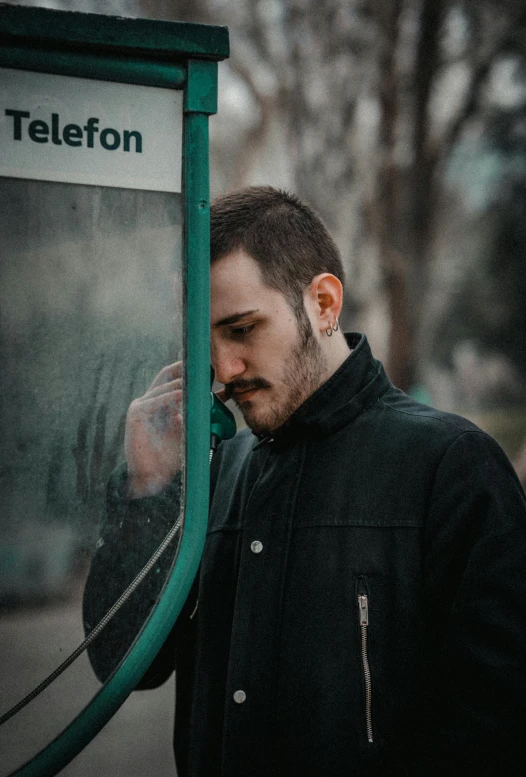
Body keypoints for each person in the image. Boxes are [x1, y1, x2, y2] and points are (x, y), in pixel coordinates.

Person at [84, 186, 526, 777]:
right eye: (203, 342)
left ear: (322, 302)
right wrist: (146, 491)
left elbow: (496, 722)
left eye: (242, 329)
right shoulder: (211, 476)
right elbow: (123, 662)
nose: (223, 369)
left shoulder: (452, 466)